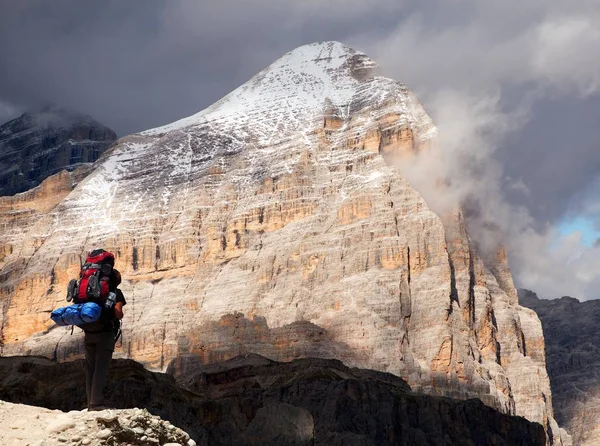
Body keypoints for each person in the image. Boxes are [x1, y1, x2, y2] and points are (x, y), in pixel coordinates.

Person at [83, 268, 126, 411]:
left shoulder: (92, 291)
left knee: (90, 368)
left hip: (89, 332)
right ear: (117, 281)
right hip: (105, 334)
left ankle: (90, 402)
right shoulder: (116, 293)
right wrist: (119, 315)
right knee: (101, 368)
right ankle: (96, 404)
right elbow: (118, 312)